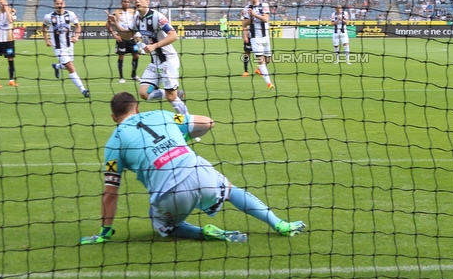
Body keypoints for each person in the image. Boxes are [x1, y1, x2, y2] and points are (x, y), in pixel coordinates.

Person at [79, 92, 306, 244]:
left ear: (113, 117)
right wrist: (181, 134)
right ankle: (280, 224)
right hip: (200, 174)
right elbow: (207, 123)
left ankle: (204, 233)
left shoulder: (113, 142)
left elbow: (111, 191)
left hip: (170, 196)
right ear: (136, 108)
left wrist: (104, 233)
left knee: (161, 226)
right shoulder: (161, 114)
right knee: (230, 190)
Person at [109, 0, 187, 116]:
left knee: (171, 99)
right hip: (154, 63)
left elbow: (173, 35)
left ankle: (187, 124)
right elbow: (128, 35)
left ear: (147, 1)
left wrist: (154, 46)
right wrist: (115, 24)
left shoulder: (157, 16)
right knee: (144, 93)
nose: (137, 1)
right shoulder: (137, 18)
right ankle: (172, 93)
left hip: (168, 61)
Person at [42, 0, 89, 98]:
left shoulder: (70, 14)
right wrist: (46, 39)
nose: (60, 5)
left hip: (69, 45)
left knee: (67, 65)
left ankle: (56, 66)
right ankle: (83, 90)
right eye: (57, 4)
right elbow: (43, 27)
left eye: (61, 3)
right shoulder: (49, 17)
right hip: (58, 47)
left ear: (64, 4)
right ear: (54, 5)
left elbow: (78, 25)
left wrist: (76, 36)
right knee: (71, 67)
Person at [242, 0, 273, 89]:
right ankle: (269, 83)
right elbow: (244, 24)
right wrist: (250, 18)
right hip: (255, 39)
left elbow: (265, 19)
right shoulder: (246, 8)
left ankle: (259, 69)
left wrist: (254, 15)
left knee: (268, 59)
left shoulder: (264, 5)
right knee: (261, 60)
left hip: (265, 37)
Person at [106, 0, 140, 84]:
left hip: (132, 38)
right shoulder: (116, 12)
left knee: (136, 55)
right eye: (125, 2)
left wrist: (136, 34)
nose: (126, 3)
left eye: (128, 2)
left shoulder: (133, 12)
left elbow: (137, 23)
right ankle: (121, 77)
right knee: (121, 56)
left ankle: (134, 75)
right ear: (121, 3)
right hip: (121, 39)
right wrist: (114, 35)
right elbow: (108, 24)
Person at [0, 0, 18, 86]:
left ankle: (11, 80)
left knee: (10, 59)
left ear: (6, 2)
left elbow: (10, 20)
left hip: (9, 40)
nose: (1, 5)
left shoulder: (12, 11)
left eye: (2, 3)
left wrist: (6, 8)